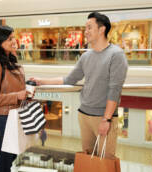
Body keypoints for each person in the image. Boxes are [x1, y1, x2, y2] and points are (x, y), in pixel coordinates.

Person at [30, 12, 128, 159]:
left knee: (105, 160)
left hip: (103, 117)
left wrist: (106, 119)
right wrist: (41, 81)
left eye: (89, 28)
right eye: (85, 28)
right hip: (84, 115)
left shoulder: (116, 55)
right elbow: (69, 79)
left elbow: (115, 89)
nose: (85, 32)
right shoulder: (86, 56)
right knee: (87, 159)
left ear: (102, 30)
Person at [0, 25, 29, 172]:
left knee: (10, 157)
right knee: (5, 162)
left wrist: (26, 91)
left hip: (15, 116)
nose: (14, 41)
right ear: (0, 41)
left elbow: (13, 87)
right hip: (3, 119)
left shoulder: (10, 61)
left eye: (13, 37)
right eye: (10, 38)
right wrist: (17, 95)